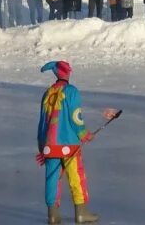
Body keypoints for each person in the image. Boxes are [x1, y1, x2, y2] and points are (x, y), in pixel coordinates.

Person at [36, 60, 98, 224]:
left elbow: (42, 122)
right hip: (69, 144)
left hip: (49, 145)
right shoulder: (72, 91)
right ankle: (81, 213)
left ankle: (53, 215)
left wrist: (42, 146)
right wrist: (84, 134)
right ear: (66, 73)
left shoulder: (47, 93)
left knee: (52, 178)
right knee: (76, 176)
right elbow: (75, 117)